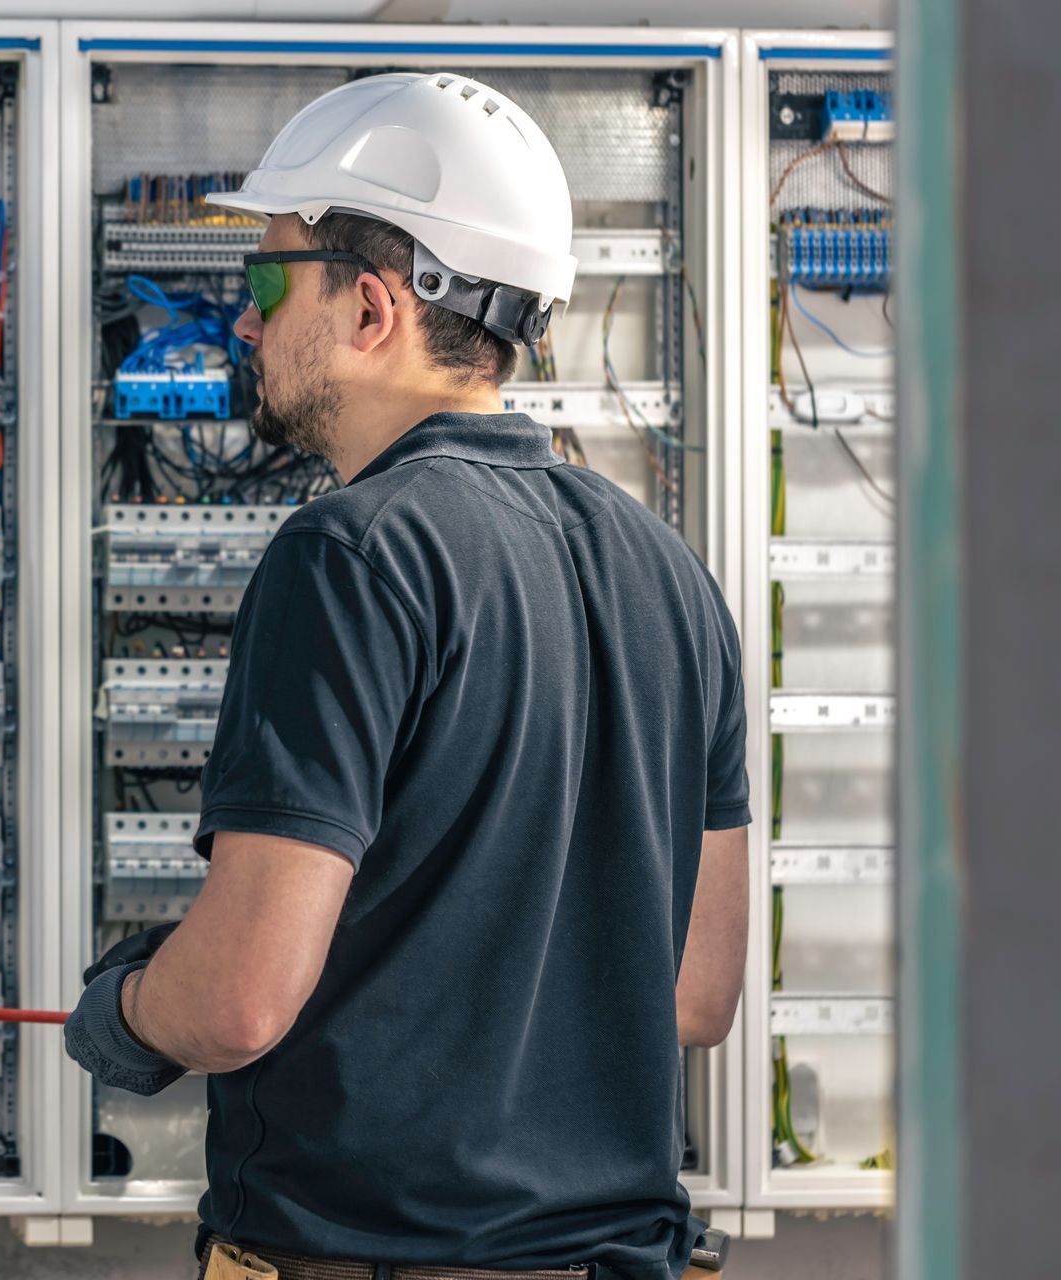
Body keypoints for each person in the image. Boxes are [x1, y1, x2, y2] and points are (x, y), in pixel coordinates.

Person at [63, 73, 751, 1280]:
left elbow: (237, 1001)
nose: (242, 323)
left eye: (267, 283)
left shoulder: (351, 554)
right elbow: (694, 995)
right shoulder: (674, 576)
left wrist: (124, 1008)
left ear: (373, 307)